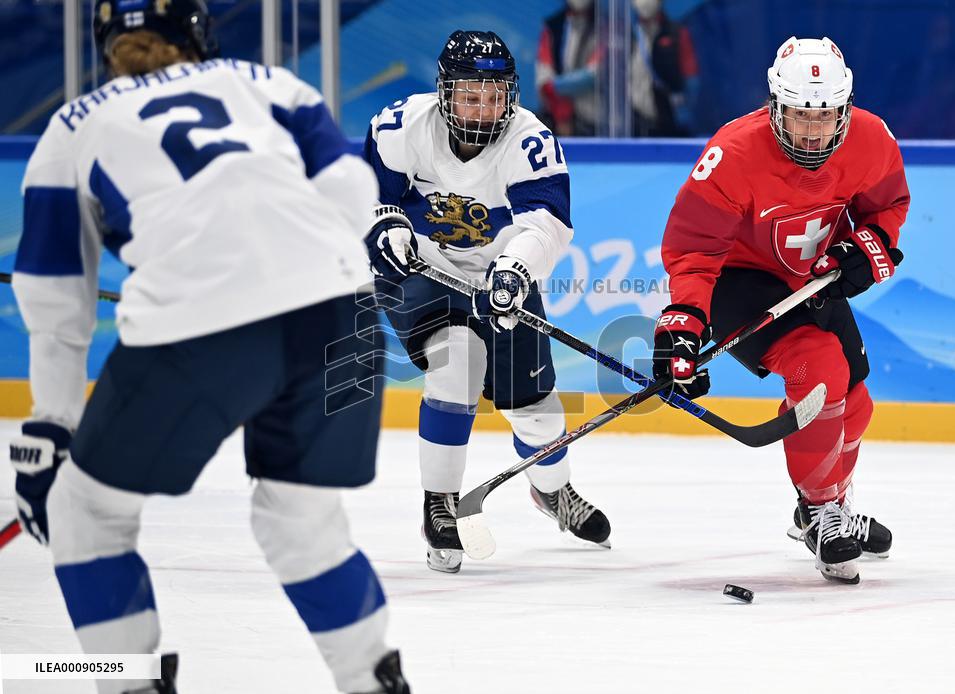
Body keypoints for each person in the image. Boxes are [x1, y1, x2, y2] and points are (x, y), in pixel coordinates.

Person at [8, 1, 409, 692]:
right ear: (197, 32)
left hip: (199, 327)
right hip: (343, 317)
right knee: (302, 521)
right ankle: (374, 683)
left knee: (87, 514)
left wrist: (52, 422)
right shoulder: (269, 82)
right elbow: (352, 190)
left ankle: (129, 681)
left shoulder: (74, 125)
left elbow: (53, 293)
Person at [652, 37, 907, 584]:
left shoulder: (871, 138)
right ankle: (820, 513)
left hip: (813, 279)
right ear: (775, 105)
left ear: (845, 108)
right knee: (820, 368)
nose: (813, 130)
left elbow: (886, 208)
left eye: (825, 116)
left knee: (856, 403)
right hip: (741, 280)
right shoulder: (733, 153)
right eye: (799, 114)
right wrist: (682, 323)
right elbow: (695, 251)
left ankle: (829, 503)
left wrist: (867, 247)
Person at [363, 30, 611, 574]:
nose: (484, 108)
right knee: (458, 362)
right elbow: (368, 196)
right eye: (471, 96)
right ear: (446, 93)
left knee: (538, 412)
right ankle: (440, 507)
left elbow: (545, 224)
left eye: (495, 95)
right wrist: (384, 228)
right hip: (425, 270)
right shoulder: (402, 126)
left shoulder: (530, 141)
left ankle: (552, 492)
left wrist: (514, 271)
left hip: (500, 275)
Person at [629, 0, 700, 136]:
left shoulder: (677, 33)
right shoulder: (628, 34)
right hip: (634, 120)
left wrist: (685, 113)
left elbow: (692, 81)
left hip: (668, 119)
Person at [536, 0, 603, 136]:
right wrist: (562, 111)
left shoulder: (607, 26)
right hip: (558, 121)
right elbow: (544, 78)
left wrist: (556, 88)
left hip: (596, 121)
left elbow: (595, 73)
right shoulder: (553, 26)